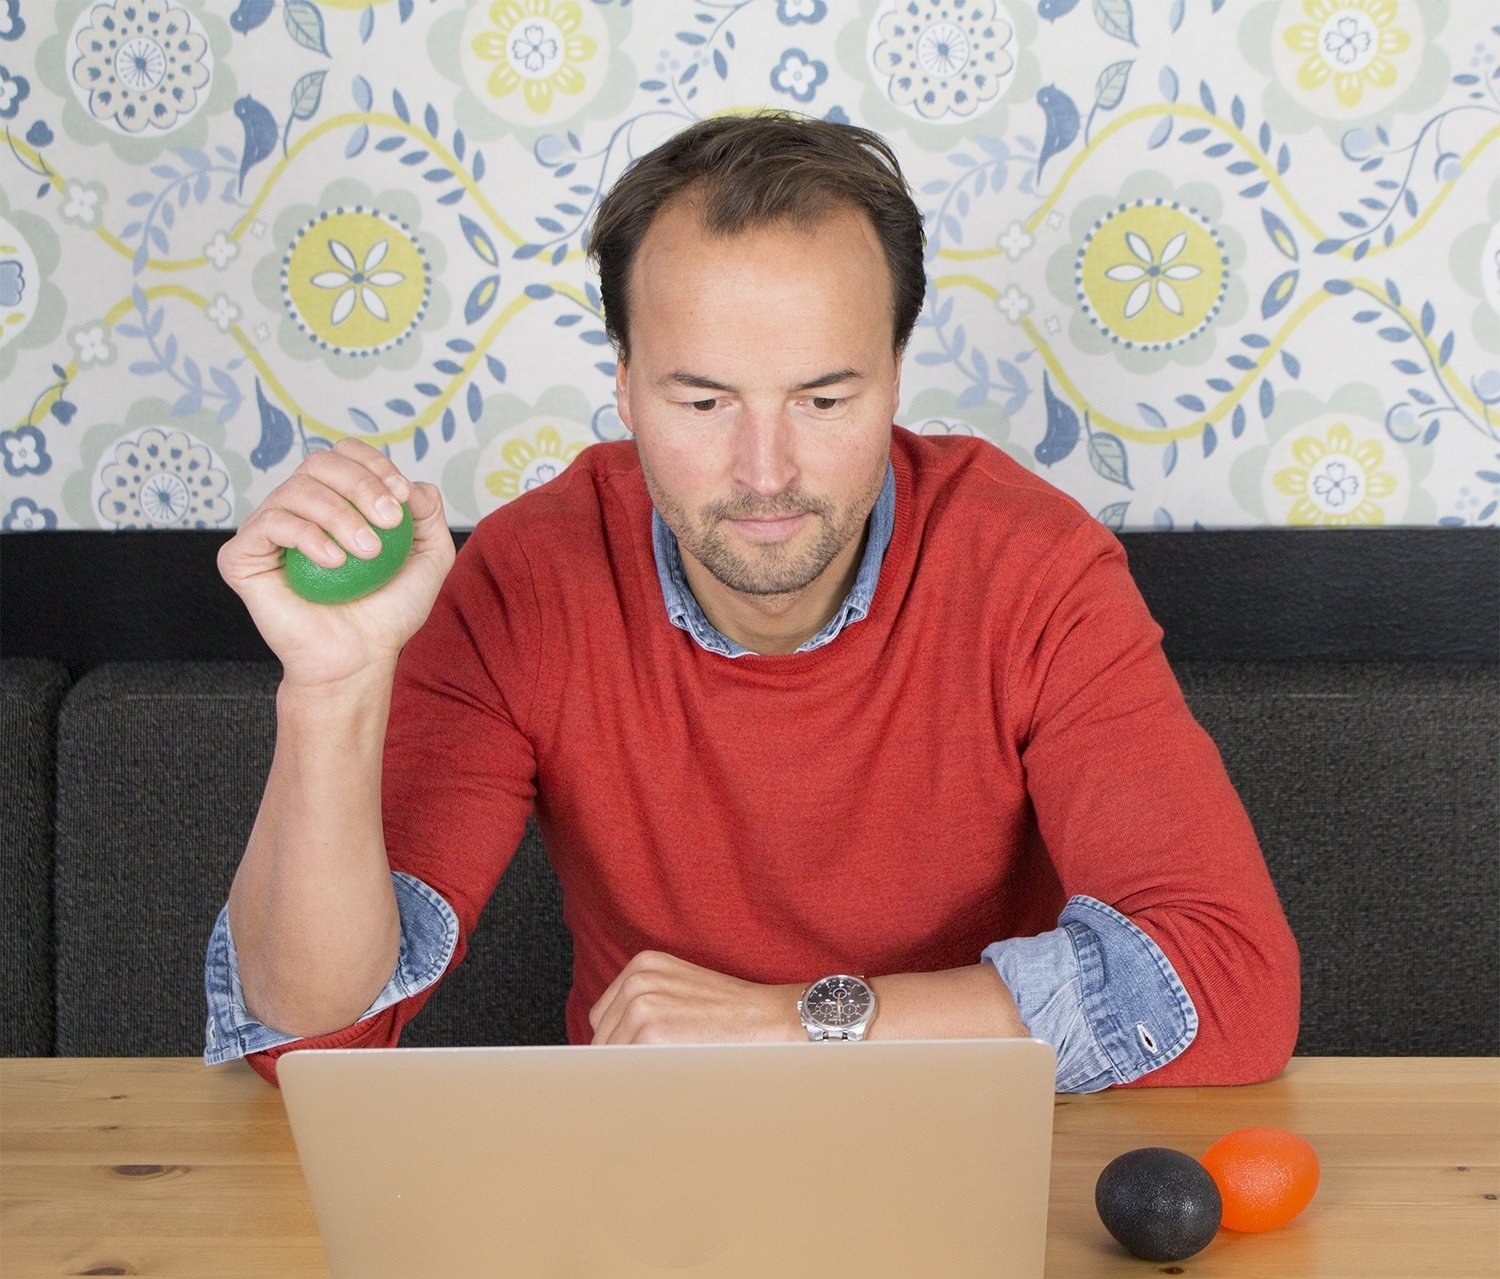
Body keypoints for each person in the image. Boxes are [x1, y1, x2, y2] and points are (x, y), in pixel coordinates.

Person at [205, 112, 1299, 1090]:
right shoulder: (529, 578)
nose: (766, 470)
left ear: (896, 376)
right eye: (703, 398)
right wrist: (333, 690)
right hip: (654, 1173)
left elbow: (1233, 987)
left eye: (824, 397)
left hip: (973, 1149)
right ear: (625, 382)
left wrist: (800, 1025)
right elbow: (309, 1034)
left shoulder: (1034, 568)